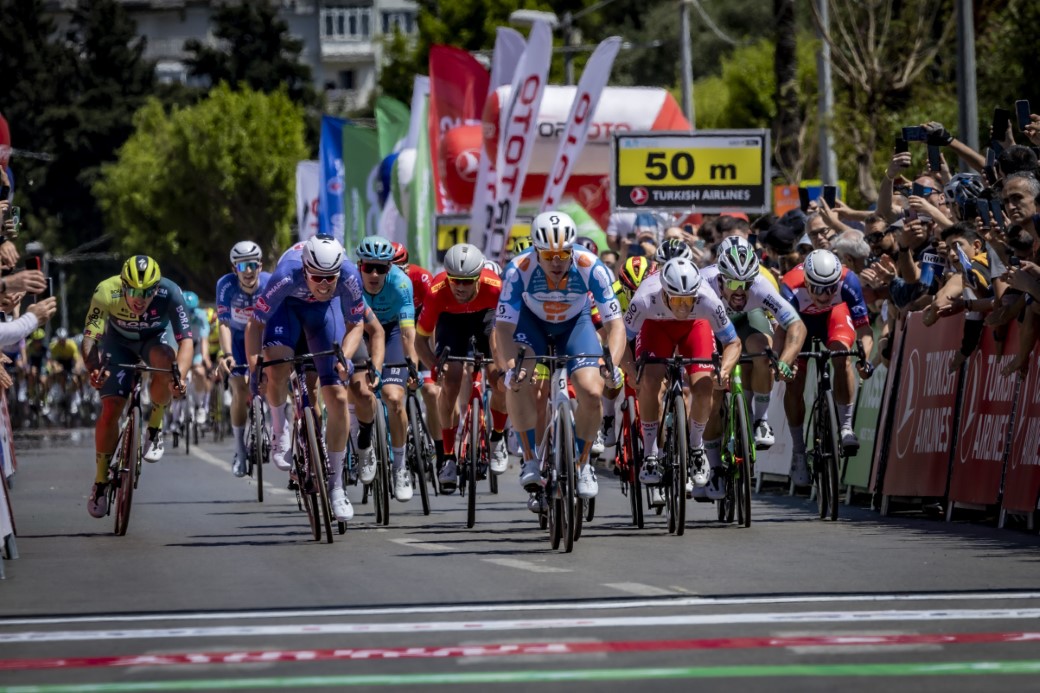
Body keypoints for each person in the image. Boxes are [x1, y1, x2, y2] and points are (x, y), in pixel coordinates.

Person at [495, 211, 626, 501]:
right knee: (519, 380)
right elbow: (503, 328)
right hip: (532, 326)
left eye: (563, 254)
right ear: (536, 250)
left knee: (592, 391)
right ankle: (530, 459)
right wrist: (510, 367)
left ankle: (583, 465)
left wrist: (612, 365)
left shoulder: (591, 266)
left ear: (572, 249)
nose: (556, 261)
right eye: (548, 255)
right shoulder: (518, 269)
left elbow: (615, 325)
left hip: (575, 325)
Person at [245, 235, 377, 523]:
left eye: (331, 278)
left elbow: (356, 325)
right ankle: (280, 430)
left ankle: (336, 486)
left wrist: (344, 356)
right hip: (286, 309)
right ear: (305, 269)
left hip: (323, 314)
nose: (325, 284)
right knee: (277, 367)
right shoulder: (286, 275)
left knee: (338, 396)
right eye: (317, 277)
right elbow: (255, 325)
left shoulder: (349, 277)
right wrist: (255, 368)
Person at [622, 258, 742, 500]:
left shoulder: (707, 299)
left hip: (695, 328)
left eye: (689, 300)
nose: (683, 306)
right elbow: (621, 340)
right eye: (677, 300)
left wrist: (724, 370)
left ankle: (696, 448)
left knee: (704, 385)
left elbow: (733, 342)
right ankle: (651, 454)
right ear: (665, 292)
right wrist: (630, 369)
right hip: (655, 326)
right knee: (649, 381)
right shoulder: (644, 298)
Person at [83, 256, 193, 518]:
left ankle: (154, 427)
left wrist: (179, 379)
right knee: (111, 408)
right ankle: (100, 481)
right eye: (132, 291)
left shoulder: (171, 292)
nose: (139, 298)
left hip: (154, 341)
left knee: (167, 363)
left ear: (157, 289)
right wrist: (93, 369)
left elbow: (186, 341)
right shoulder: (105, 290)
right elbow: (90, 337)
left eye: (146, 292)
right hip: (118, 343)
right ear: (123, 285)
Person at [701, 236, 805, 459]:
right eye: (733, 284)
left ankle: (761, 420)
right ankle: (712, 463)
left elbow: (795, 324)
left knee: (764, 351)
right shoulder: (703, 282)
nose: (740, 292)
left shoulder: (761, 284)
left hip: (745, 320)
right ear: (720, 277)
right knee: (713, 396)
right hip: (710, 325)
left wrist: (784, 361)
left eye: (746, 284)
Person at [416, 243, 509, 491]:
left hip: (485, 317)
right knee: (451, 381)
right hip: (452, 322)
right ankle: (448, 456)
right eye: (455, 280)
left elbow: (504, 332)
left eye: (467, 281)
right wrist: (434, 367)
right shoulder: (436, 290)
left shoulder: (496, 287)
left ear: (478, 277)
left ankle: (498, 437)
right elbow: (420, 341)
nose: (459, 286)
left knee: (498, 378)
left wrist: (504, 364)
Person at [781, 249, 874, 486]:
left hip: (834, 317)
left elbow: (864, 331)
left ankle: (846, 427)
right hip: (798, 323)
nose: (824, 295)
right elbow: (781, 333)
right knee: (794, 382)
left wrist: (864, 360)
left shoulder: (849, 281)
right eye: (818, 288)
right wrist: (782, 363)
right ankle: (798, 451)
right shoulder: (790, 287)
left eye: (831, 288)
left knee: (842, 357)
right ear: (806, 282)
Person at [354, 236, 420, 502]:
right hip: (359, 330)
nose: (373, 274)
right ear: (359, 265)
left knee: (393, 398)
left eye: (380, 268)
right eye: (368, 267)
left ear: (389, 268)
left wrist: (412, 365)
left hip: (391, 331)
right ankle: (364, 443)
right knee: (360, 390)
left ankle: (400, 466)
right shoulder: (350, 282)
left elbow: (407, 333)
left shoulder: (401, 284)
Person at [215, 241, 271, 476]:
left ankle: (274, 426)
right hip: (237, 340)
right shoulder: (225, 285)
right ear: (234, 269)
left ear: (260, 266)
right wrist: (227, 354)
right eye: (241, 266)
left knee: (271, 381)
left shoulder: (269, 283)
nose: (248, 271)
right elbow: (224, 324)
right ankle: (239, 450)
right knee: (239, 389)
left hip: (264, 337)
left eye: (252, 265)